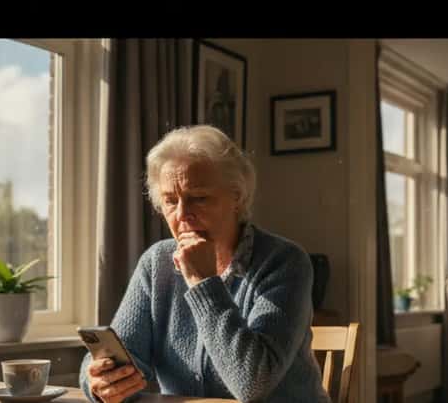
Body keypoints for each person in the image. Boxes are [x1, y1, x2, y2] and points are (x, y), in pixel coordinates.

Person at [79, 125, 330, 403]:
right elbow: (121, 354)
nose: (183, 214)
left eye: (199, 198)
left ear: (237, 197)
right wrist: (99, 381)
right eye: (170, 201)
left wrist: (202, 282)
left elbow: (252, 384)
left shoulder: (284, 261)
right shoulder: (156, 263)